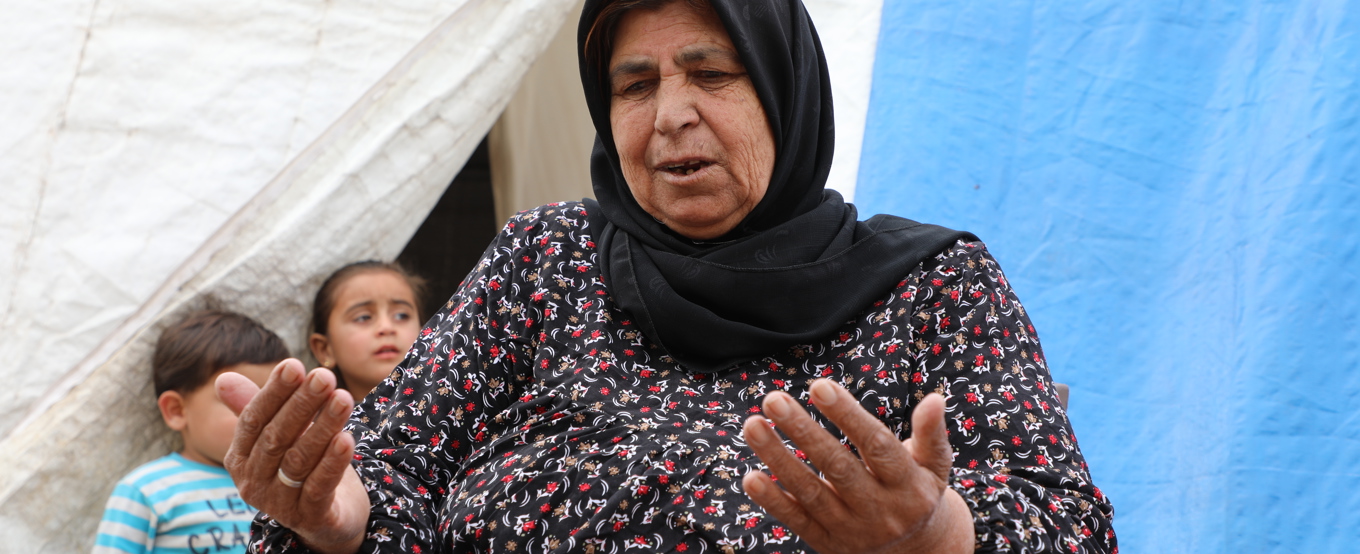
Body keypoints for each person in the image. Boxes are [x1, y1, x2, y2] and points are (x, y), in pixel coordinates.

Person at [217, 0, 1118, 552]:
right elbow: (393, 465)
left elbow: (1069, 526)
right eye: (635, 85)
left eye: (711, 73)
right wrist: (341, 519)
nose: (669, 117)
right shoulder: (543, 260)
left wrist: (935, 536)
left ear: (785, 87)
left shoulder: (928, 284)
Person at [93, 311, 290, 554]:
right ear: (176, 410)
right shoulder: (146, 489)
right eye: (236, 401)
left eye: (275, 401)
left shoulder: (286, 484)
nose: (262, 416)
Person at [307, 261, 426, 400]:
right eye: (363, 317)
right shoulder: (307, 421)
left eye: (401, 315)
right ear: (325, 350)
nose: (386, 327)